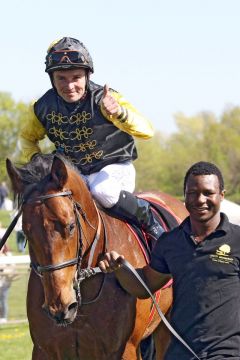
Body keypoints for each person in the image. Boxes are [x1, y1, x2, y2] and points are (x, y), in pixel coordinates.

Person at [19, 36, 164, 241]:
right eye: (62, 78)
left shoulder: (106, 98)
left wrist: (119, 113)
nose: (69, 86)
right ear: (52, 78)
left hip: (114, 168)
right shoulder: (42, 107)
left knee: (102, 190)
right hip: (76, 173)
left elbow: (147, 131)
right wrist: (37, 160)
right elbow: (26, 138)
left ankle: (150, 221)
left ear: (87, 76)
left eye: (76, 77)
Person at [99, 161, 240, 359]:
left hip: (226, 354)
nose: (200, 200)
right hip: (181, 353)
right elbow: (145, 285)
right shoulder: (170, 242)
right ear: (185, 196)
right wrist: (119, 267)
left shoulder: (237, 240)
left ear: (221, 196)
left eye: (208, 193)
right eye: (193, 193)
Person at [0, 243, 17, 324]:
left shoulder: (8, 255)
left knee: (3, 299)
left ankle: (3, 317)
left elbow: (13, 268)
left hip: (5, 282)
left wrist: (3, 271)